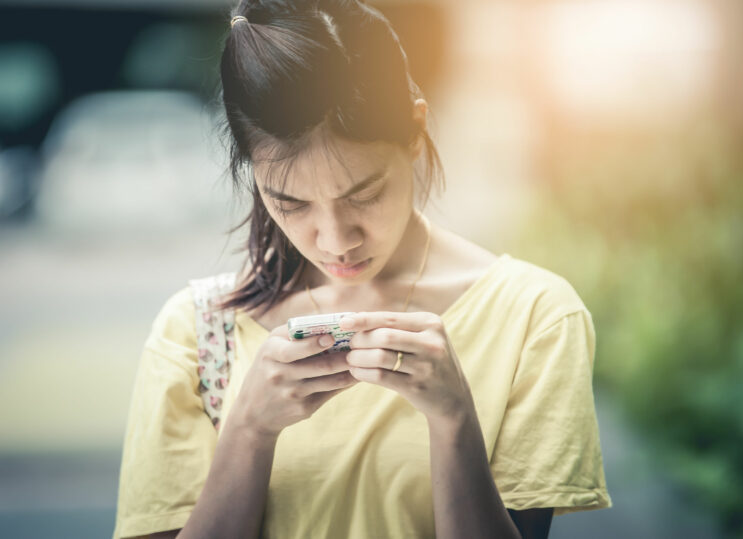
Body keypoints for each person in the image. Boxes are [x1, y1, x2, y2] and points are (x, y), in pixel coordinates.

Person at [112, 1, 612, 537]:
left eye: (365, 193)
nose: (336, 240)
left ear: (415, 131)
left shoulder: (534, 317)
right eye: (291, 202)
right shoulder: (196, 334)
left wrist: (454, 423)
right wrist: (249, 429)